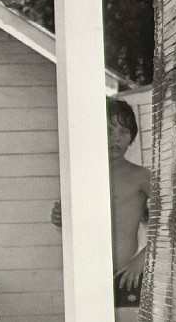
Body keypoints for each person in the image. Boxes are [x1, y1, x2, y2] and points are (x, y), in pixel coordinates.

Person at [51, 98, 150, 317]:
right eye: (108, 130)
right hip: (89, 277)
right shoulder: (81, 175)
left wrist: (143, 258)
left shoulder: (141, 177)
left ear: (132, 136)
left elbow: (172, 220)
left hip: (126, 274)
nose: (116, 138)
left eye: (123, 131)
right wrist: (62, 218)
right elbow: (73, 223)